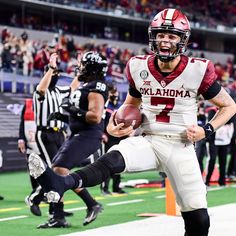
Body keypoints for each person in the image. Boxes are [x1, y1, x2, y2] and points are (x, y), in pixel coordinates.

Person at [28, 9, 236, 236]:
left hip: (181, 146)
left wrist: (207, 130)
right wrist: (113, 124)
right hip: (149, 140)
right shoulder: (139, 66)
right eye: (161, 35)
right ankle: (62, 183)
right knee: (113, 158)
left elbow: (229, 106)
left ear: (182, 39)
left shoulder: (198, 69)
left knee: (198, 220)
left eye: (172, 36)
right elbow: (130, 106)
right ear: (153, 36)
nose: (165, 40)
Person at [32, 51, 108, 228]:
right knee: (58, 171)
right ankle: (87, 206)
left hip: (87, 136)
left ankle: (58, 213)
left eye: (82, 65)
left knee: (58, 170)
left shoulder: (96, 86)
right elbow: (82, 117)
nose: (78, 68)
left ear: (90, 67)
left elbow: (95, 117)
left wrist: (72, 110)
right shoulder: (88, 85)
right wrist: (64, 116)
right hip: (80, 134)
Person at [30, 52, 78, 222]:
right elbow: (42, 89)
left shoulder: (59, 91)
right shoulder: (39, 92)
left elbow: (73, 87)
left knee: (61, 171)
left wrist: (81, 70)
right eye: (53, 73)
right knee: (54, 170)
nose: (56, 76)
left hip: (60, 133)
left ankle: (55, 210)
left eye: (57, 73)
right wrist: (51, 69)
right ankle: (35, 198)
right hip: (45, 133)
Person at [101, 85, 127, 195]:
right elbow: (100, 121)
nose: (115, 94)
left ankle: (116, 187)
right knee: (107, 162)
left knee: (119, 160)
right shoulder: (104, 106)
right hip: (107, 137)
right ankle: (105, 188)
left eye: (115, 92)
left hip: (119, 136)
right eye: (112, 92)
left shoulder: (120, 106)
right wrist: (101, 133)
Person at [18, 98, 42, 216]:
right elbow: (22, 122)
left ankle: (42, 194)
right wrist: (21, 138)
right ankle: (35, 191)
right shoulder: (28, 104)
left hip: (44, 139)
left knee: (48, 168)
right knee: (33, 169)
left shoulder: (48, 103)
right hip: (31, 141)